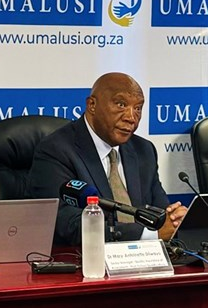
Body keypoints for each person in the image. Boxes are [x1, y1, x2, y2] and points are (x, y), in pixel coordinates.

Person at [28, 72, 186, 246]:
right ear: (92, 105)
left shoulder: (143, 150)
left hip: (144, 258)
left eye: (138, 108)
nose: (131, 117)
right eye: (121, 104)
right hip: (84, 259)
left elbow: (161, 211)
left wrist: (174, 220)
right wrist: (149, 234)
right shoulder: (56, 150)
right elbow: (67, 224)